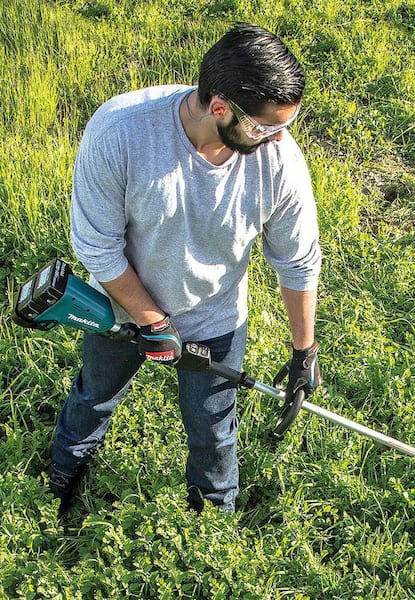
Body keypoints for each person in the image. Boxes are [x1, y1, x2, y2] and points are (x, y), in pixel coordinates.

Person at [47, 23, 322, 514]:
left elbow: (296, 260)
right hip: (120, 308)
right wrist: (154, 323)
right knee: (94, 396)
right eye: (264, 128)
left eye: (286, 126)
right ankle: (62, 474)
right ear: (220, 107)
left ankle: (213, 519)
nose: (278, 139)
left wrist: (304, 351)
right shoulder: (120, 132)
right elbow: (98, 247)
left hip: (215, 317)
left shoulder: (279, 161)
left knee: (214, 430)